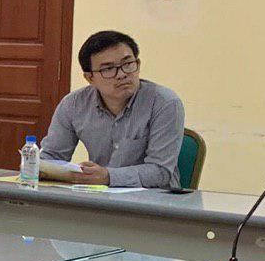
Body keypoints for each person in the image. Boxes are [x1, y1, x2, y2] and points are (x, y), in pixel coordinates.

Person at [40, 30, 184, 188]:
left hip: (154, 198)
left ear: (138, 64)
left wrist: (108, 177)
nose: (122, 74)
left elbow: (160, 172)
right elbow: (51, 157)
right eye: (108, 69)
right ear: (90, 78)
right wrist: (38, 167)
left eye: (127, 64)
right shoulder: (73, 104)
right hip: (99, 195)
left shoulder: (165, 103)